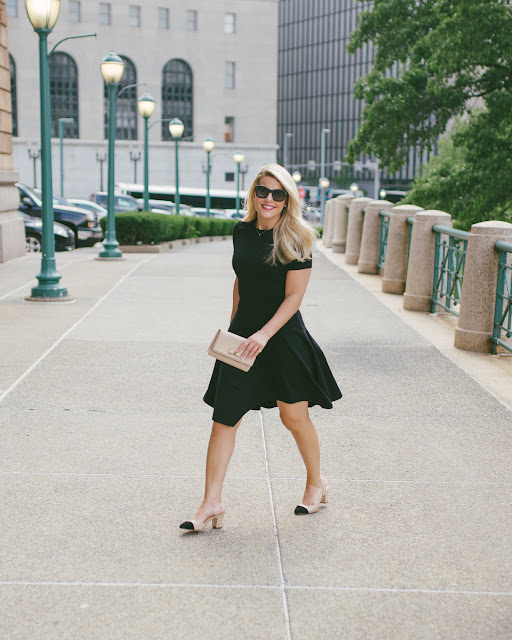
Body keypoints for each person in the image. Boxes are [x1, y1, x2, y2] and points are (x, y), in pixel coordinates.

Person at [179, 164, 342, 532]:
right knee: (225, 418)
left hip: (282, 339)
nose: (269, 199)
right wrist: (233, 328)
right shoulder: (242, 231)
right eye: (262, 191)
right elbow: (242, 280)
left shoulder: (297, 237)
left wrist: (264, 335)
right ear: (253, 193)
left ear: (288, 200)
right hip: (244, 339)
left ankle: (317, 482)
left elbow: (294, 298)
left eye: (278, 194)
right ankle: (211, 502)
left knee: (293, 417)